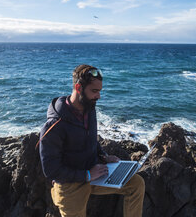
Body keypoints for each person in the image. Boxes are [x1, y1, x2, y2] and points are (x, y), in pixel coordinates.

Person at [39, 64, 145, 217]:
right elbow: (51, 170)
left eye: (100, 91)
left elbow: (90, 139)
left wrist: (103, 156)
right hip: (70, 185)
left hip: (95, 173)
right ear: (78, 87)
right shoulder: (55, 125)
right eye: (94, 91)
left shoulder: (89, 108)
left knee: (136, 184)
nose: (99, 96)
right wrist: (87, 175)